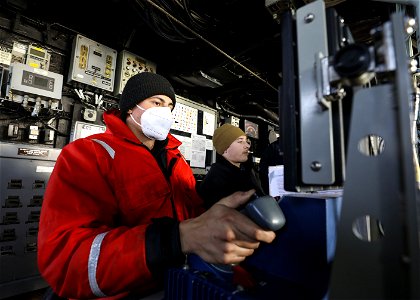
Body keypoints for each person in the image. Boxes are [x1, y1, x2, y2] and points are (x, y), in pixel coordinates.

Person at [37, 72, 276, 300]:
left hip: (179, 279)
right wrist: (174, 239)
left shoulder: (176, 159)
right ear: (131, 107)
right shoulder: (87, 155)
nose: (166, 112)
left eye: (170, 107)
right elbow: (65, 262)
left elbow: (194, 220)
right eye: (157, 102)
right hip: (128, 292)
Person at [197, 123, 264, 209]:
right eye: (240, 141)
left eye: (246, 141)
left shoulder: (248, 171)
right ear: (225, 148)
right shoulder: (216, 180)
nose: (247, 146)